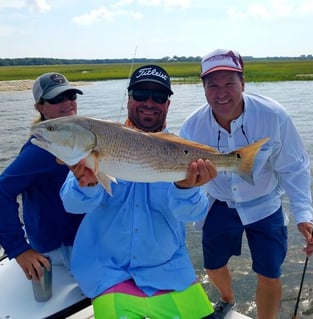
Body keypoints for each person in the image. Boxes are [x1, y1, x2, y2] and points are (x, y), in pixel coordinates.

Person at [60, 65, 218, 319]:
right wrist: (86, 184)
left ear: (167, 104)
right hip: (109, 272)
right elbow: (72, 204)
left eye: (158, 97)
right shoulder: (99, 141)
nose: (149, 103)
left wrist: (185, 188)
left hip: (168, 270)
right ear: (129, 98)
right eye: (142, 93)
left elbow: (193, 212)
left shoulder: (182, 151)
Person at [179, 48, 313, 319]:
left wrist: (303, 215)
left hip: (265, 204)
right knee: (213, 264)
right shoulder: (192, 126)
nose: (222, 93)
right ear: (203, 89)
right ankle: (227, 299)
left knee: (270, 270)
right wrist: (188, 186)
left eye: (230, 84)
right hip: (218, 202)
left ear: (243, 83)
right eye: (213, 85)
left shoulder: (273, 115)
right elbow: (181, 177)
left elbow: (294, 166)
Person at [0, 72, 85, 281]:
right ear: (40, 106)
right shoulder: (39, 151)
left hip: (82, 234)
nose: (67, 104)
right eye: (56, 99)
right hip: (64, 246)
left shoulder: (79, 136)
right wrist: (19, 249)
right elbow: (2, 190)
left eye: (71, 96)